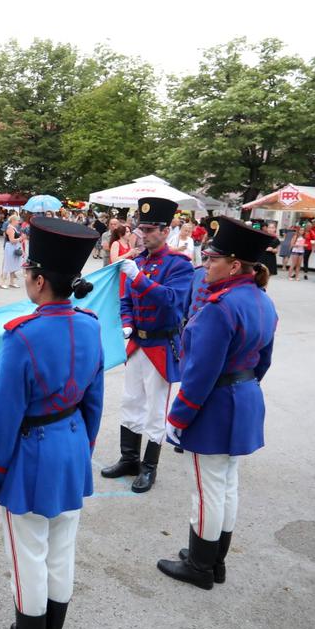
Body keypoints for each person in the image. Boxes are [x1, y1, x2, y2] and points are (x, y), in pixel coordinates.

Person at [0, 217, 103, 629]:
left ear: (40, 280)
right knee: (61, 550)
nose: (25, 276)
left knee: (27, 552)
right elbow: (94, 404)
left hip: (30, 457)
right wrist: (80, 450)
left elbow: (4, 419)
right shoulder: (90, 327)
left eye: (28, 270)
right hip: (71, 450)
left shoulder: (21, 337)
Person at [156, 218, 278, 589]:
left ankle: (200, 566)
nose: (206, 264)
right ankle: (214, 560)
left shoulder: (219, 307)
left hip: (215, 405)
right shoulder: (262, 300)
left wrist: (178, 418)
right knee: (226, 485)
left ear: (235, 265)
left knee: (207, 490)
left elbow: (199, 374)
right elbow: (264, 361)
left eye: (213, 259)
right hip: (244, 397)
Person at [101, 197, 194, 494]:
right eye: (142, 228)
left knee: (155, 409)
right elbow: (125, 299)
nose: (144, 234)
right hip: (137, 343)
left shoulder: (179, 265)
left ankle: (149, 466)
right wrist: (127, 321)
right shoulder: (138, 261)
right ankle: (129, 458)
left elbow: (171, 302)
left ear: (166, 231)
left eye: (151, 229)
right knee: (130, 401)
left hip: (160, 345)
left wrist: (138, 278)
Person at [0, 211, 24, 288]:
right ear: (13, 221)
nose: (18, 222)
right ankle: (2, 282)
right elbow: (12, 240)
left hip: (13, 247)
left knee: (13, 264)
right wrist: (20, 238)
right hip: (10, 247)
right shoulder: (10, 228)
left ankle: (12, 282)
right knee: (8, 264)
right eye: (17, 220)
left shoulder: (13, 228)